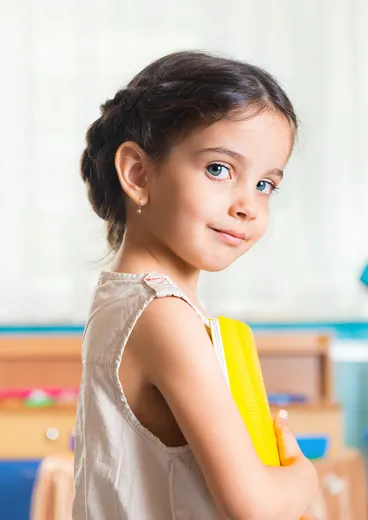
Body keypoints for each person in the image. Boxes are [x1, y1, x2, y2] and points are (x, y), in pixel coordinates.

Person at [72, 50, 319, 520]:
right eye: (219, 169)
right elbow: (256, 506)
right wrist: (304, 476)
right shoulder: (164, 314)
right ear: (138, 173)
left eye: (266, 184)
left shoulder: (125, 301)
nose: (248, 204)